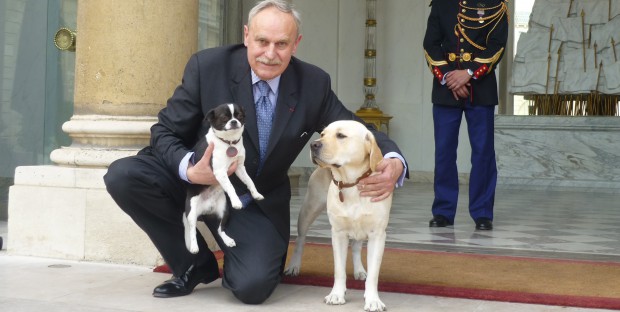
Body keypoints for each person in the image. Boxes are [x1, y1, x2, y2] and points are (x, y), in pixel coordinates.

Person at [104, 0, 407, 305]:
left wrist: (393, 161)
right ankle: (192, 264)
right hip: (196, 182)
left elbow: (356, 127)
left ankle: (249, 255)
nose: (270, 53)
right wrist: (190, 169)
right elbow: (164, 131)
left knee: (253, 287)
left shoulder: (313, 84)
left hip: (252, 200)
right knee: (125, 175)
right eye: (262, 41)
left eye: (281, 44)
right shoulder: (207, 66)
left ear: (296, 44)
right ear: (247, 35)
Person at [422, 0, 508, 230]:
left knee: (483, 153)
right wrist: (451, 77)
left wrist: (469, 73)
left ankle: (482, 213)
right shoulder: (441, 4)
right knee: (444, 152)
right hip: (446, 89)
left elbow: (497, 45)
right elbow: (431, 44)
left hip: (481, 89)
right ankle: (442, 211)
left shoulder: (495, 5)